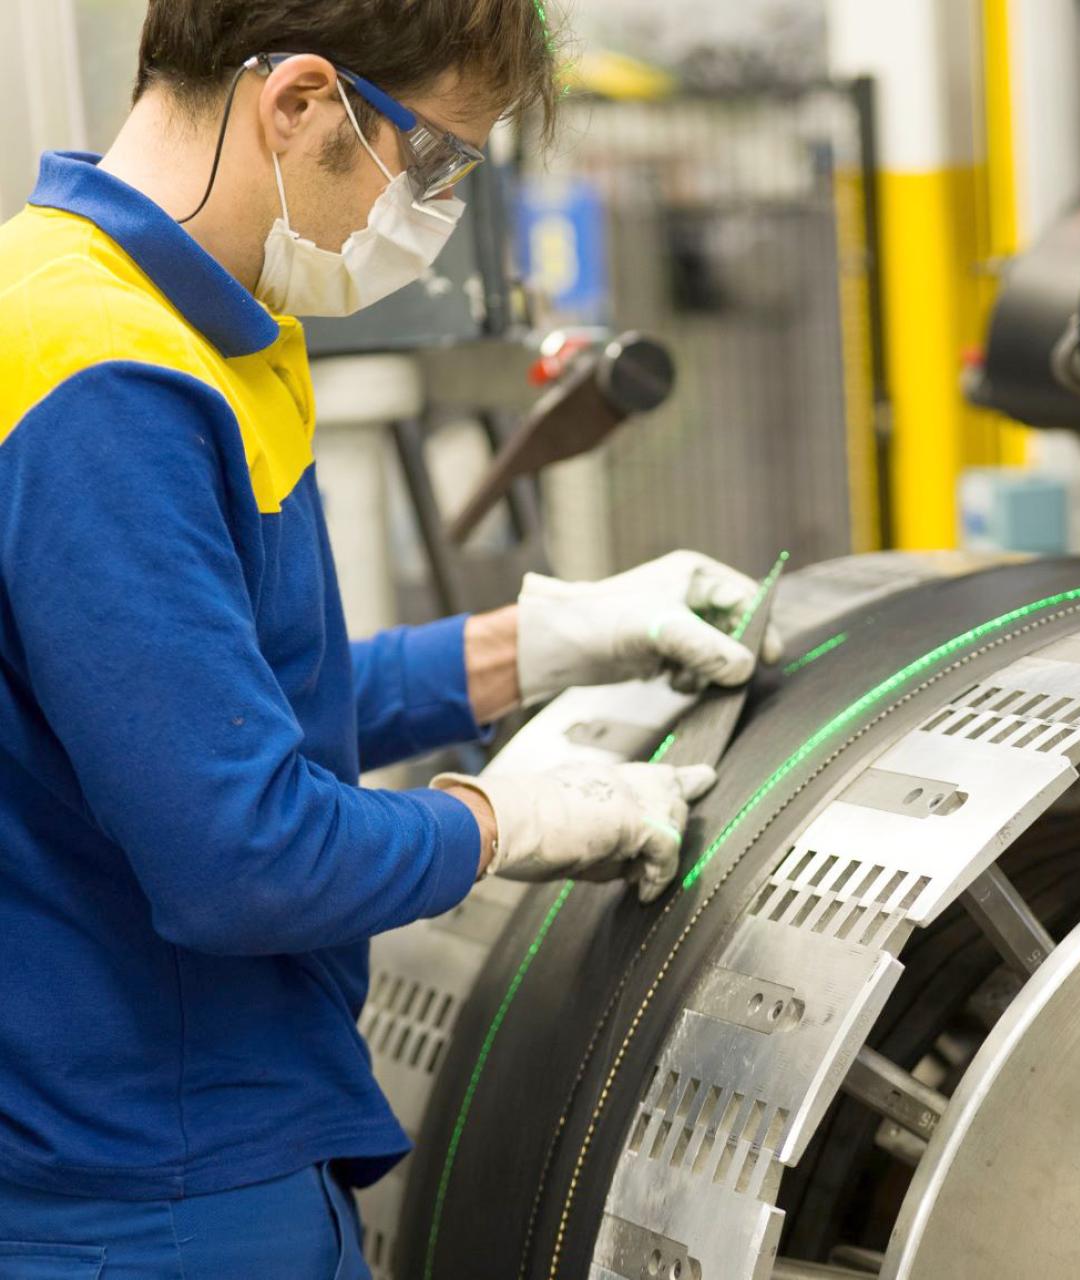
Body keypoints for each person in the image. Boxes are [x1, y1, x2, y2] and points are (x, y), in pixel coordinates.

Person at [0, 2, 778, 1275]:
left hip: (186, 1149)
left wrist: (527, 645)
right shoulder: (110, 379)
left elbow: (209, 715)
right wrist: (502, 822)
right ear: (300, 104)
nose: (437, 212)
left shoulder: (137, 312)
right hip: (153, 1199)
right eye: (434, 162)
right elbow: (236, 852)